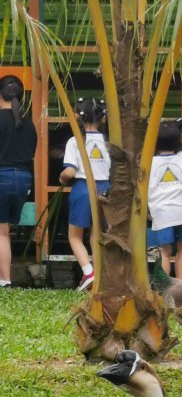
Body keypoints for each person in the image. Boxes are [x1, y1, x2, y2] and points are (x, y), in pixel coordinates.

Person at [59, 97, 111, 291]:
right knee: (96, 234)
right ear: (103, 118)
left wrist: (62, 179)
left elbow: (70, 172)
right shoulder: (107, 143)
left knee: (74, 235)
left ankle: (88, 272)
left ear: (76, 117)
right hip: (105, 188)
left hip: (82, 188)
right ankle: (99, 274)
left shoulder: (75, 141)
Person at [147, 120, 182, 279]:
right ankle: (181, 284)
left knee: (164, 250)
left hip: (161, 212)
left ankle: (163, 289)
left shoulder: (150, 162)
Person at [0, 75, 37, 288]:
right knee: (5, 231)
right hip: (23, 180)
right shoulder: (28, 125)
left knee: (2, 232)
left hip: (2, 177)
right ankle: (4, 279)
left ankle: (5, 279)